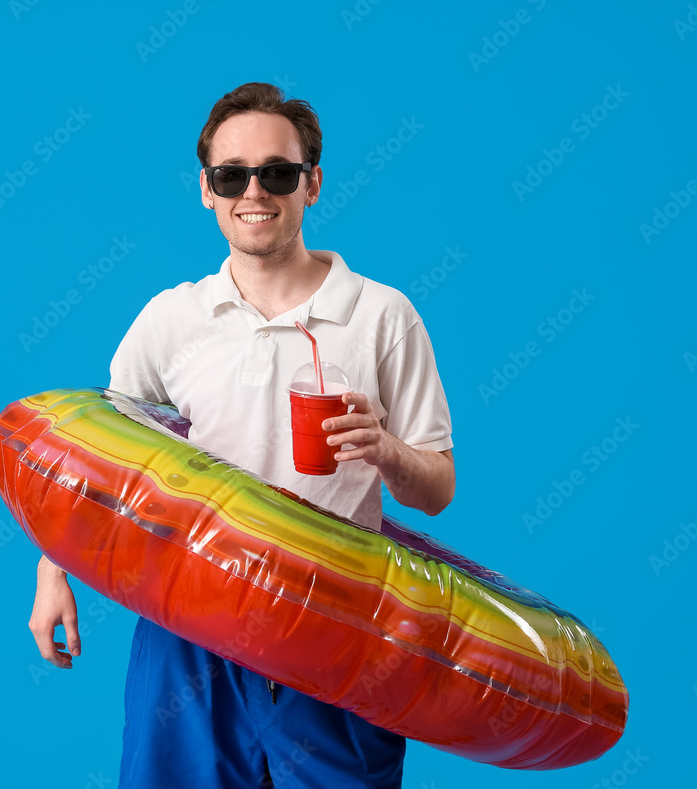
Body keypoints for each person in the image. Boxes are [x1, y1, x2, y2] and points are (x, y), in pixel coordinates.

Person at [29, 82, 454, 788]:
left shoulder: (382, 315)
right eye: (232, 174)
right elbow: (94, 453)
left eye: (278, 172)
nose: (254, 191)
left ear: (312, 184)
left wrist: (386, 450)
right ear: (206, 189)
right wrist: (53, 570)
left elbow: (437, 487)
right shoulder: (172, 319)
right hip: (188, 631)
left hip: (337, 629)